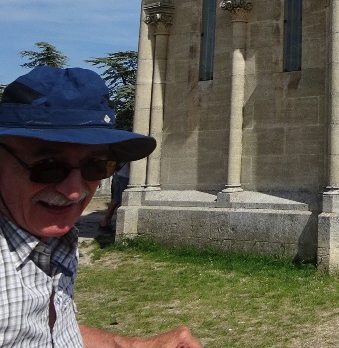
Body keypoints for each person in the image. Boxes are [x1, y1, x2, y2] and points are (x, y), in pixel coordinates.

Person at [0, 65, 203, 347]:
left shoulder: (51, 242)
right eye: (48, 166)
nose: (73, 192)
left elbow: (41, 332)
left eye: (96, 166)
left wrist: (129, 344)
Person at [98, 161, 130, 233]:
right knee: (121, 201)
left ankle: (106, 222)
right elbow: (129, 165)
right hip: (125, 178)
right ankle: (110, 223)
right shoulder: (131, 154)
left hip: (118, 176)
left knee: (115, 201)